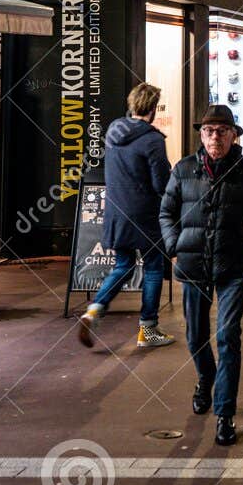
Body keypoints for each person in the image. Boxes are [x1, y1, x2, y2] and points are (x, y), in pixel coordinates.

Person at [160, 104, 243, 446]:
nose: (215, 137)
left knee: (228, 338)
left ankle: (225, 414)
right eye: (209, 131)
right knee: (195, 337)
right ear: (201, 135)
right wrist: (174, 245)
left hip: (231, 266)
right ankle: (205, 376)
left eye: (222, 131)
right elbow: (166, 211)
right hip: (192, 265)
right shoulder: (183, 170)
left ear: (233, 135)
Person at [79, 83, 175, 349]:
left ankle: (95, 310)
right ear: (153, 108)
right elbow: (160, 184)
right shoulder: (152, 140)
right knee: (154, 268)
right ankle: (148, 329)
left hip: (116, 213)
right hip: (146, 214)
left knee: (123, 266)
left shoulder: (114, 130)